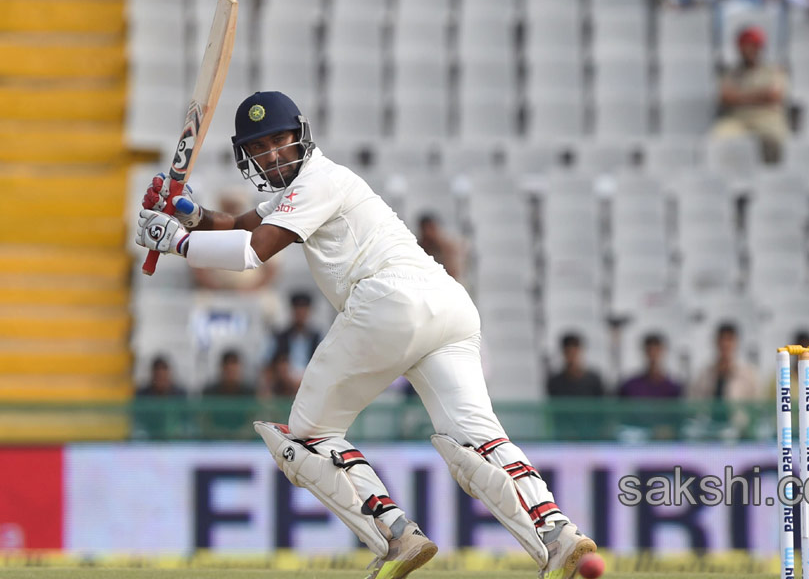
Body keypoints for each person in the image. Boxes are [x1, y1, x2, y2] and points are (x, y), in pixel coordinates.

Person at [135, 91, 595, 579]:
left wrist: (176, 242)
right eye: (259, 148)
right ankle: (557, 533)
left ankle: (396, 535)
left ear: (300, 137)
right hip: (449, 305)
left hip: (389, 302)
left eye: (279, 141)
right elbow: (231, 223)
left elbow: (253, 250)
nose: (270, 154)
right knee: (478, 441)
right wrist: (186, 213)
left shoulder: (319, 181)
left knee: (309, 436)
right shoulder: (302, 191)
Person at [709, 25, 789, 164]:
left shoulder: (773, 70)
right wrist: (760, 95)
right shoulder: (731, 72)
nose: (749, 50)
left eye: (753, 46)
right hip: (738, 119)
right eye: (745, 46)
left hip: (767, 118)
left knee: (777, 139)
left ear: (760, 47)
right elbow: (725, 98)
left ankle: (773, 176)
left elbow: (774, 96)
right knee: (715, 138)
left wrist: (740, 97)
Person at [689, 322, 762, 401]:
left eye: (729, 339)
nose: (725, 344)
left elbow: (757, 405)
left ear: (736, 342)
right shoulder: (704, 374)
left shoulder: (748, 374)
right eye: (722, 339)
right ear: (716, 341)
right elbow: (693, 402)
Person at [270, 291, 323, 379]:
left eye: (304, 309)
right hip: (284, 385)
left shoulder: (317, 338)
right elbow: (269, 364)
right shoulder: (279, 337)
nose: (301, 313)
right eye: (298, 309)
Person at [616, 333, 683, 399]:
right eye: (649, 350)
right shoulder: (630, 386)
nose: (653, 355)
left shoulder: (673, 389)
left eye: (657, 350)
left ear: (663, 352)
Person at [546, 332, 605, 397]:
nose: (572, 357)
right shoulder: (555, 383)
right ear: (563, 353)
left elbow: (601, 405)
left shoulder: (594, 381)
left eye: (574, 353)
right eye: (568, 353)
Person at [417, 212, 465, 282]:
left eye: (430, 228)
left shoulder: (447, 248)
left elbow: (453, 273)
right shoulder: (418, 248)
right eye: (425, 229)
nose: (427, 233)